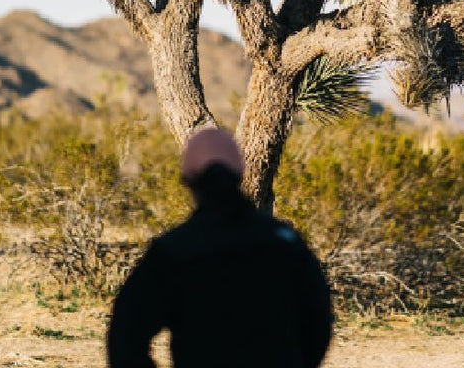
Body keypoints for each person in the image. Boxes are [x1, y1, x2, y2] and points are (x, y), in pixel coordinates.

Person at [106, 127, 334, 368]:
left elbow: (125, 337)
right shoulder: (286, 242)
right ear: (240, 173)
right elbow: (318, 321)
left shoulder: (173, 250)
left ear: (188, 180)